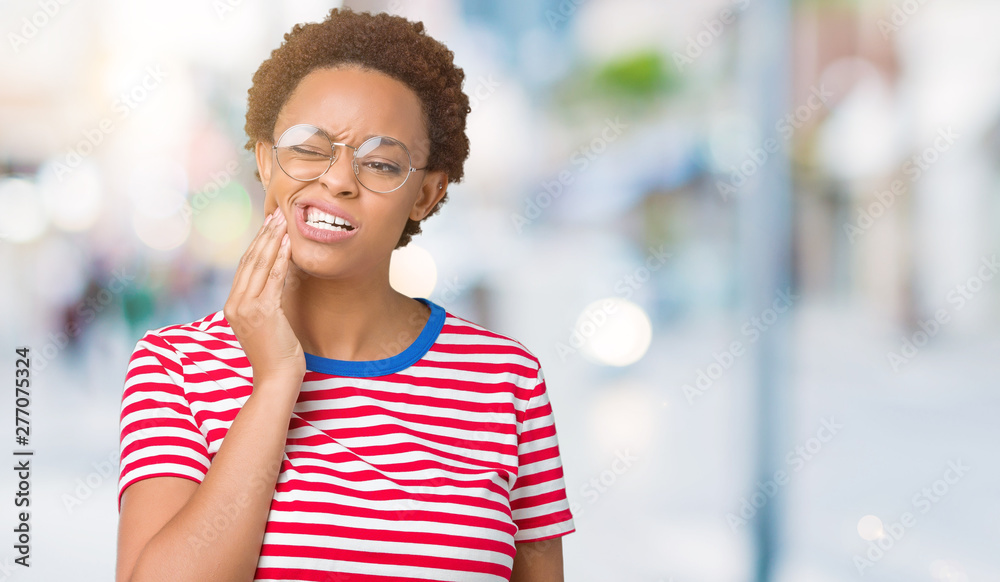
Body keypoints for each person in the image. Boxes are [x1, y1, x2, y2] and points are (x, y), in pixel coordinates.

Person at [116, 8, 575, 581]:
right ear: (264, 161)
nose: (338, 180)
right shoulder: (173, 369)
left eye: (381, 163)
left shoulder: (506, 381)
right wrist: (277, 380)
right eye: (309, 148)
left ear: (426, 196)